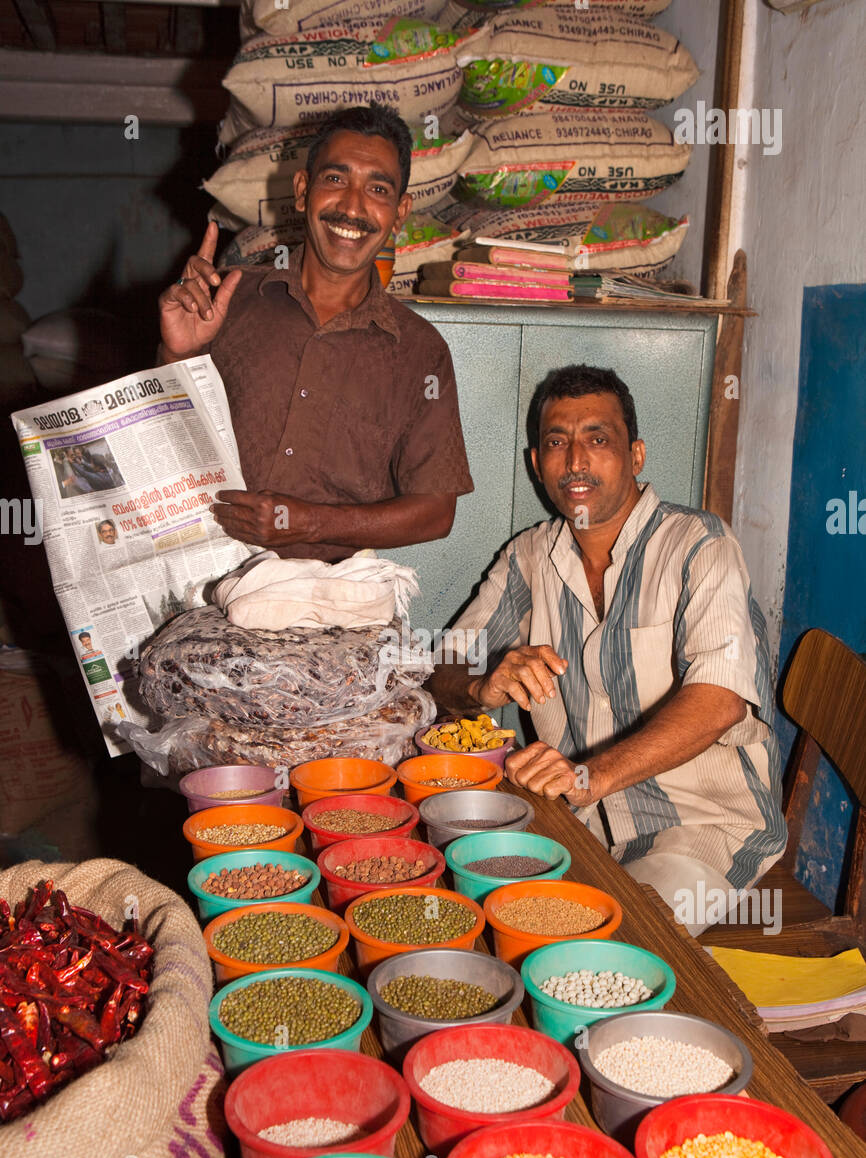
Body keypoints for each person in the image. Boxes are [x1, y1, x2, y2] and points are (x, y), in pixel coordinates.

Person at [429, 364, 787, 932]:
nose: (575, 461)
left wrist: (585, 777)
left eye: (598, 440)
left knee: (604, 942)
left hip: (700, 831)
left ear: (637, 455)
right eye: (557, 443)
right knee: (449, 899)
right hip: (577, 824)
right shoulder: (528, 558)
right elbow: (442, 669)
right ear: (535, 464)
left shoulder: (699, 546)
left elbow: (719, 700)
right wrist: (481, 683)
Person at [157, 103, 473, 561]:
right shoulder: (227, 302)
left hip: (329, 602)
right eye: (335, 179)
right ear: (303, 191)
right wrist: (174, 354)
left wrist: (308, 522)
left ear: (400, 212)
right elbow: (158, 451)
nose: (353, 206)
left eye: (378, 188)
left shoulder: (420, 353)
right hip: (204, 581)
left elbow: (435, 513)